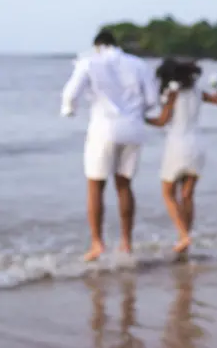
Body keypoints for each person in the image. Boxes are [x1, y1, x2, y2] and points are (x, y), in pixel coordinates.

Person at [61, 30, 157, 261]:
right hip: (133, 129)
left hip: (104, 128)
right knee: (124, 185)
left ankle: (97, 243)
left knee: (96, 186)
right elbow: (152, 100)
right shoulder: (138, 64)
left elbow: (70, 93)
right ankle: (126, 242)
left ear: (97, 45)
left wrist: (69, 110)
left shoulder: (89, 62)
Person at [145, 59, 217, 253]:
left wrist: (140, 118)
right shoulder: (198, 92)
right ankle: (185, 239)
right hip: (197, 146)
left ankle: (183, 236)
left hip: (177, 146)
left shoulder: (172, 93)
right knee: (187, 196)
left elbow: (161, 120)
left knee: (168, 193)